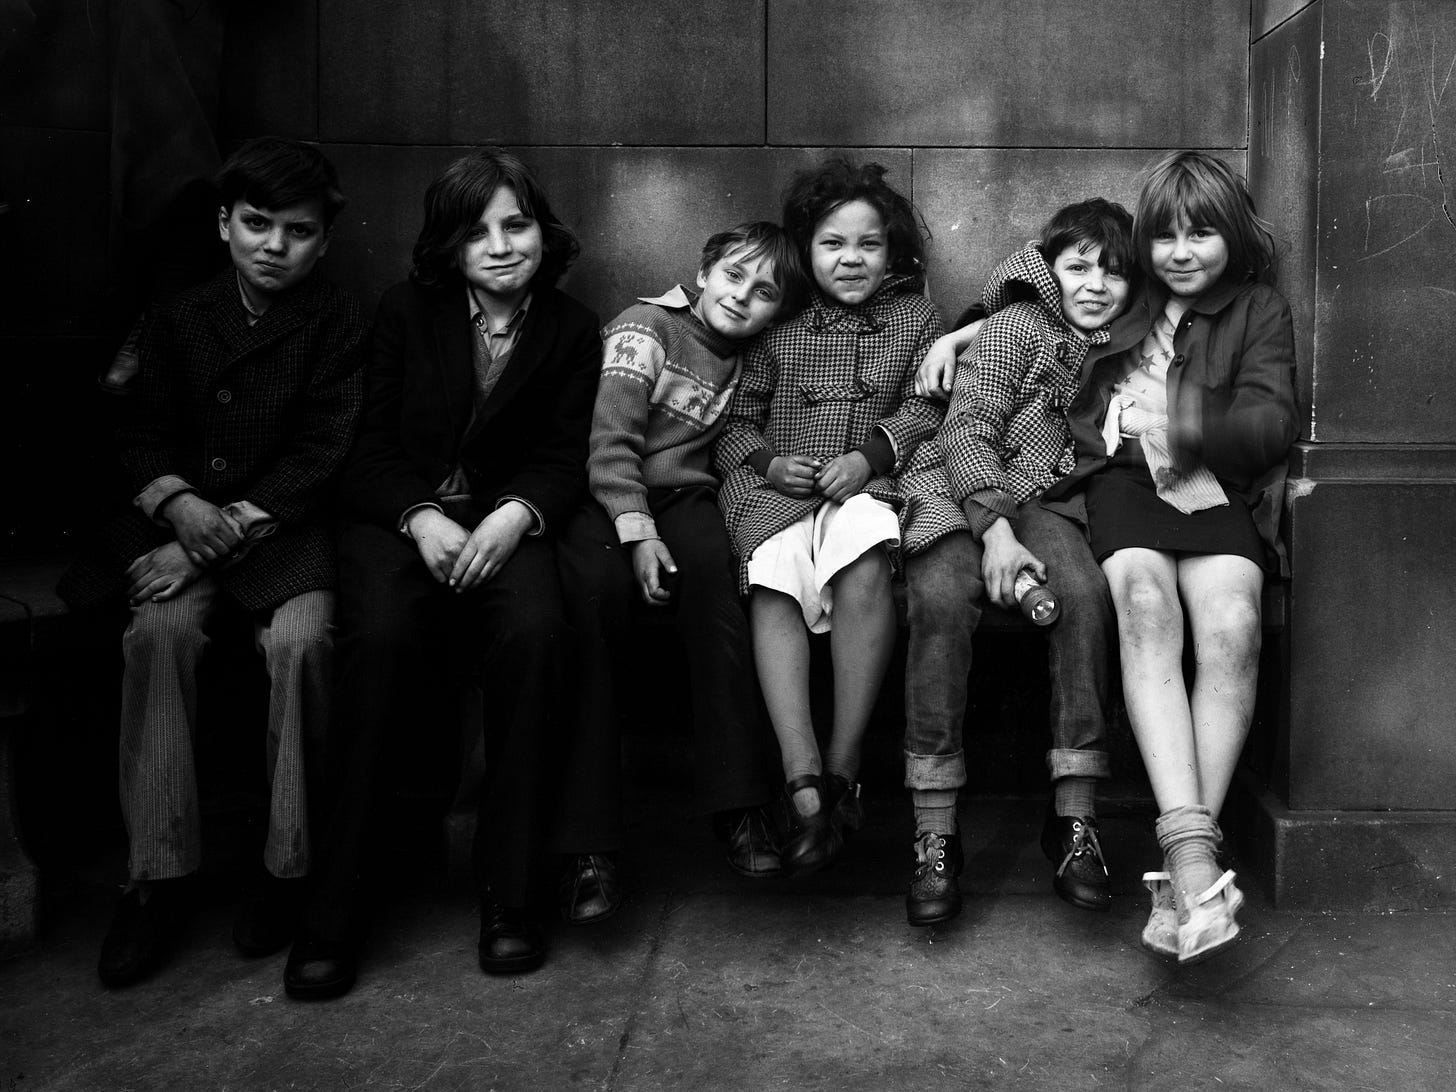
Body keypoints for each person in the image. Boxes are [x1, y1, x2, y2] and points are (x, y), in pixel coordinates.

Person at [281, 150, 601, 998]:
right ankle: (336, 910)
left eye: (517, 224)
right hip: (402, 525)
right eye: (477, 231)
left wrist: (515, 513)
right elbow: (368, 448)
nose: (500, 246)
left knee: (536, 636)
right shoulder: (405, 314)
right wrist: (419, 516)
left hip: (506, 526)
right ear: (447, 247)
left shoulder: (571, 329)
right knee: (379, 645)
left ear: (543, 231)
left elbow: (567, 457)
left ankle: (509, 895)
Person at [57, 137, 367, 987]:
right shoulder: (179, 315)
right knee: (158, 634)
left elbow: (322, 450)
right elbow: (138, 431)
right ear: (225, 223)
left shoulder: (339, 322)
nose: (275, 246)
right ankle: (155, 877)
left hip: (284, 532)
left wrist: (217, 528)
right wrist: (180, 507)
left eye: (298, 231)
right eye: (257, 224)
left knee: (302, 645)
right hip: (179, 529)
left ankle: (287, 866)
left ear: (324, 241)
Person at [1045, 151, 1298, 963]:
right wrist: (972, 325)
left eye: (1203, 235)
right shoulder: (1129, 287)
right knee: (1147, 609)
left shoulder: (1258, 309)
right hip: (1123, 482)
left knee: (1233, 624)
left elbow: (1269, 427)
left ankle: (1185, 853)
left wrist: (1179, 411)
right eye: (1165, 237)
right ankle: (1195, 857)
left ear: (1236, 236)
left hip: (1213, 485)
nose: (1182, 253)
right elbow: (1038, 266)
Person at [713, 158, 961, 877]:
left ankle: (845, 769)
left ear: (893, 252)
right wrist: (765, 463)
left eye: (869, 244)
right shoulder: (776, 316)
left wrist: (872, 454)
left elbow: (925, 404)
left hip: (866, 484)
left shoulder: (916, 318)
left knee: (864, 553)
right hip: (779, 488)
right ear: (805, 247)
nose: (851, 259)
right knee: (773, 569)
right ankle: (801, 775)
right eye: (832, 244)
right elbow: (736, 419)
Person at [552, 222, 807, 923]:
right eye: (733, 277)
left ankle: (740, 805)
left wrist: (763, 465)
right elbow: (607, 443)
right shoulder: (647, 327)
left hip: (684, 496)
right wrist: (636, 533)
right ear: (704, 270)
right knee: (594, 610)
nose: (742, 298)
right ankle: (588, 845)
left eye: (763, 293)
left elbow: (731, 433)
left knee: (722, 600)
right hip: (605, 498)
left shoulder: (746, 356)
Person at [901, 200, 1136, 926]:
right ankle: (934, 832)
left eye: (1115, 272)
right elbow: (966, 428)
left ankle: (1074, 816)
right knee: (939, 603)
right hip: (957, 488)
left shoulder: (1125, 346)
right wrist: (996, 531)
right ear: (1048, 271)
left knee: (1085, 596)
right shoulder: (1013, 329)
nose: (1096, 283)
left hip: (1046, 503)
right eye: (1078, 267)